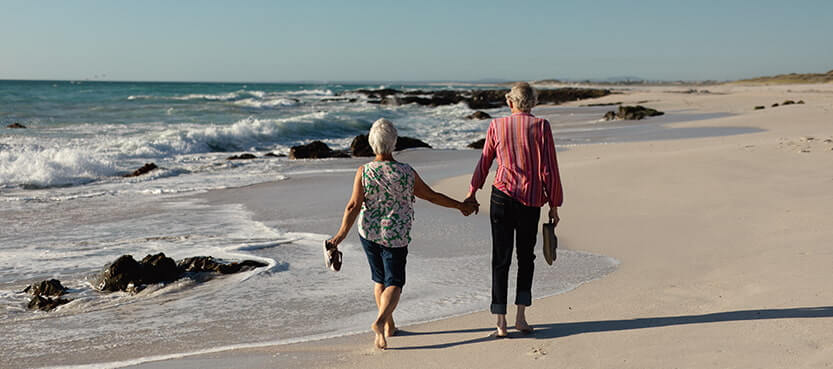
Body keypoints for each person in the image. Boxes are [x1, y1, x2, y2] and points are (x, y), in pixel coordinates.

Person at [327, 118, 478, 349]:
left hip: (368, 233)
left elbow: (353, 206)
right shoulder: (406, 172)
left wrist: (339, 235)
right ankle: (380, 322)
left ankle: (389, 327)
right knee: (395, 283)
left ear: (372, 143)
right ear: (394, 142)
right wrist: (461, 206)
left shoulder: (364, 171)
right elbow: (431, 196)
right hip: (395, 235)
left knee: (379, 280)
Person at [465, 82, 563, 338]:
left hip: (501, 197)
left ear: (510, 102)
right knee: (526, 257)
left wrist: (473, 190)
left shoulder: (496, 126)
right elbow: (549, 168)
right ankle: (521, 316)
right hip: (530, 200)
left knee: (501, 258)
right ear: (532, 103)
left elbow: (485, 161)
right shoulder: (542, 126)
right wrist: (554, 203)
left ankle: (501, 322)